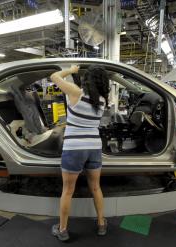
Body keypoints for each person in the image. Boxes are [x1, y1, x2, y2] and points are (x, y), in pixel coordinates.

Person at [50, 64, 110, 242]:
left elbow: (54, 77)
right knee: (96, 187)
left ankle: (62, 229)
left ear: (87, 79)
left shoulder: (76, 92)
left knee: (68, 191)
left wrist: (71, 70)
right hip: (94, 147)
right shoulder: (102, 100)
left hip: (74, 147)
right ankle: (101, 224)